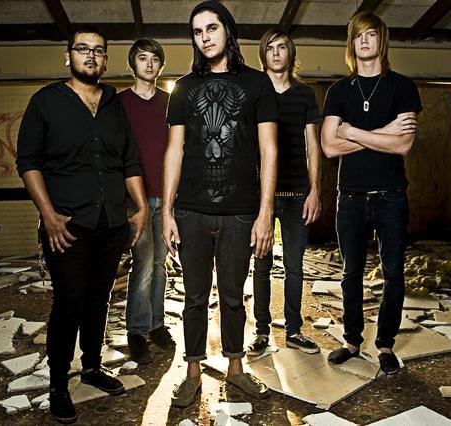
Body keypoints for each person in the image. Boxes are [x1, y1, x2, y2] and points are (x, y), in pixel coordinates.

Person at [16, 24, 148, 424]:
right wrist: (48, 215)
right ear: (68, 56)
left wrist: (141, 207)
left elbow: (129, 161)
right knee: (69, 302)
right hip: (68, 225)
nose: (91, 55)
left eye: (99, 50)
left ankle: (92, 367)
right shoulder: (45, 102)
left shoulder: (113, 104)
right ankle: (58, 383)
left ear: (105, 59)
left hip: (111, 223)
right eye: (82, 48)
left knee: (99, 299)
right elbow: (28, 162)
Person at [162, 0, 278, 408]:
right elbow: (174, 150)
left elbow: (269, 150)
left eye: (212, 27)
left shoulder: (257, 84)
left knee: (232, 296)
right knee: (193, 298)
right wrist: (167, 212)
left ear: (227, 30)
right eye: (197, 31)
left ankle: (235, 370)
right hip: (191, 211)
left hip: (240, 212)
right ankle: (192, 374)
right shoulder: (183, 87)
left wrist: (266, 213)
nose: (205, 37)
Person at [321, 11, 421, 375]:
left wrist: (351, 132)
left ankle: (385, 345)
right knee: (351, 274)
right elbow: (328, 147)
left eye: (371, 34)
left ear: (382, 40)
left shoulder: (402, 87)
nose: (364, 40)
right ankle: (351, 340)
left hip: (391, 197)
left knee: (393, 273)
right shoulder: (338, 91)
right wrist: (385, 132)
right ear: (352, 44)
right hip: (349, 197)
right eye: (358, 35)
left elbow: (403, 145)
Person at [248, 28, 322, 357]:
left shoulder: (305, 94)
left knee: (295, 267)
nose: (276, 53)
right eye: (270, 48)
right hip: (261, 198)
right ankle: (262, 332)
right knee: (261, 265)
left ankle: (294, 330)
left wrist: (315, 190)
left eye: (282, 47)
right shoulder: (255, 93)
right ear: (263, 55)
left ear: (291, 53)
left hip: (296, 195)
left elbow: (312, 146)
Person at [118, 39, 175, 364]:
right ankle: (136, 331)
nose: (149, 64)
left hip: (165, 199)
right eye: (143, 58)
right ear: (133, 63)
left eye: (155, 59)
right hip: (134, 200)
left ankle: (156, 324)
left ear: (160, 65)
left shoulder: (169, 103)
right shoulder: (119, 102)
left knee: (159, 264)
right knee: (143, 263)